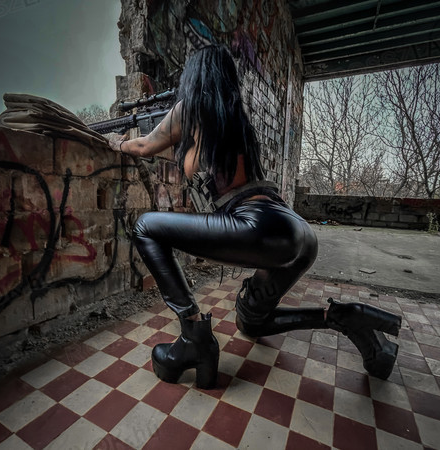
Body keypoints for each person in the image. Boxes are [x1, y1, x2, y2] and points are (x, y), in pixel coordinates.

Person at [109, 44, 401, 389]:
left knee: (145, 227)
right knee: (251, 321)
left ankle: (193, 337)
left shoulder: (191, 108)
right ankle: (343, 317)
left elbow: (144, 146)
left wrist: (115, 141)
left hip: (258, 224)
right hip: (298, 233)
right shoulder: (235, 121)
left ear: (194, 78)